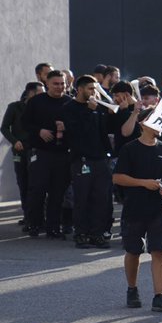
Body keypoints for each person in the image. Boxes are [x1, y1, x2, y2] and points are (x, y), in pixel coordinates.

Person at [112, 109, 162, 312]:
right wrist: (143, 183)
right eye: (155, 121)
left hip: (160, 207)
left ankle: (160, 296)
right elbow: (117, 177)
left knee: (159, 250)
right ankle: (132, 289)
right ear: (142, 123)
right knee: (133, 251)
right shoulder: (129, 149)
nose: (160, 125)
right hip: (135, 207)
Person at [60, 74, 114, 248]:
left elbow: (102, 132)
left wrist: (109, 153)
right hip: (81, 159)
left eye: (95, 88)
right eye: (90, 88)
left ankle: (97, 233)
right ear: (80, 89)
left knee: (101, 198)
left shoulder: (97, 106)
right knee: (82, 198)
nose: (93, 92)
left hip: (100, 159)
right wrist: (89, 111)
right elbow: (76, 133)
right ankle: (81, 233)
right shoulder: (69, 107)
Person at [22, 69, 71, 238]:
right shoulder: (36, 102)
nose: (59, 87)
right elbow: (24, 124)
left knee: (58, 193)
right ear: (47, 84)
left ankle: (53, 227)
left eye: (62, 83)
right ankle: (34, 224)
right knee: (38, 190)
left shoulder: (69, 102)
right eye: (56, 84)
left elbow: (78, 128)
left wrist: (66, 128)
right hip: (40, 152)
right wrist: (39, 131)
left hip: (62, 154)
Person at [2, 82, 44, 226]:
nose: (43, 95)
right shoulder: (14, 107)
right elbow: (4, 127)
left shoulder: (40, 108)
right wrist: (14, 141)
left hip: (36, 149)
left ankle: (38, 218)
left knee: (36, 183)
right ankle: (28, 216)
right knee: (23, 181)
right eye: (40, 92)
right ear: (30, 93)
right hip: (20, 150)